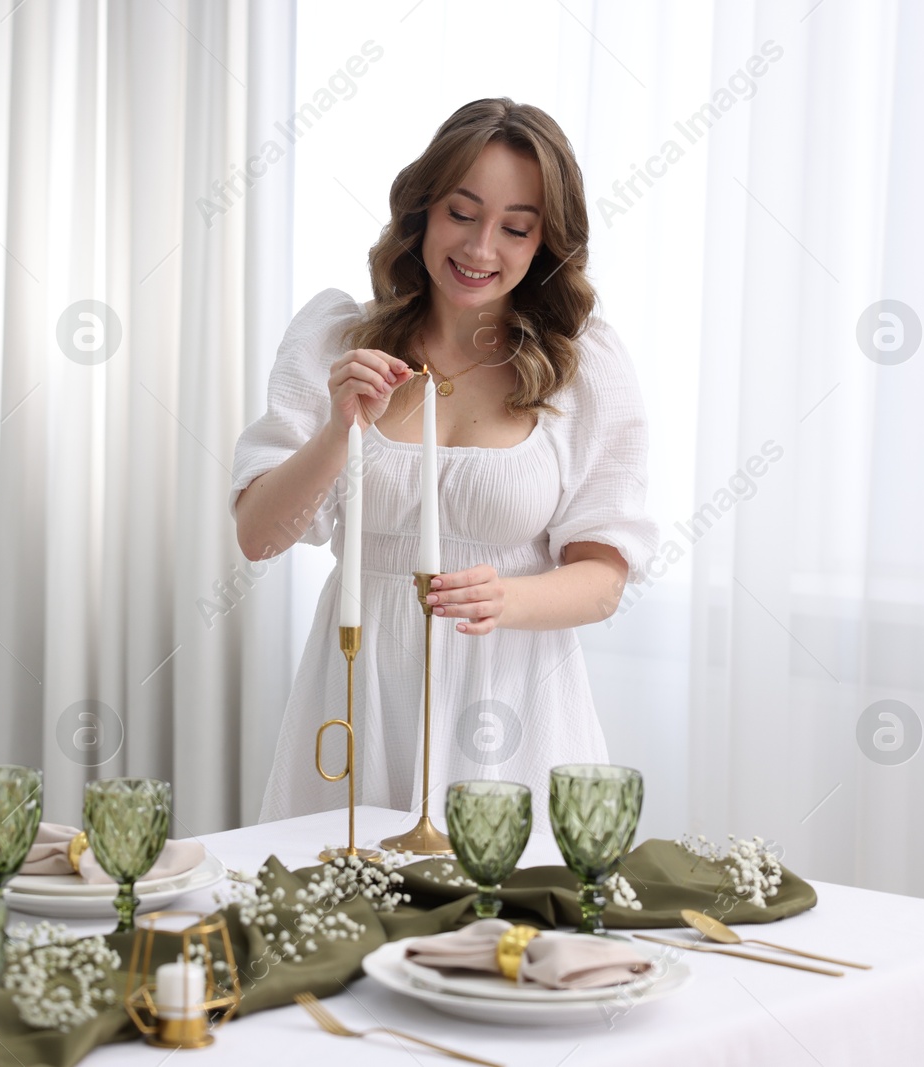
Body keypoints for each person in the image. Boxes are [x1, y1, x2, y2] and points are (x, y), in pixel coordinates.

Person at [229, 98, 658, 834]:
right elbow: (258, 535)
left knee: (502, 935)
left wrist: (507, 601)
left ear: (544, 243)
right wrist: (339, 430)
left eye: (516, 228)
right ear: (422, 212)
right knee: (342, 923)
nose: (481, 247)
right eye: (462, 213)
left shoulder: (582, 364)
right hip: (361, 685)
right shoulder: (337, 337)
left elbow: (604, 580)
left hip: (512, 694)